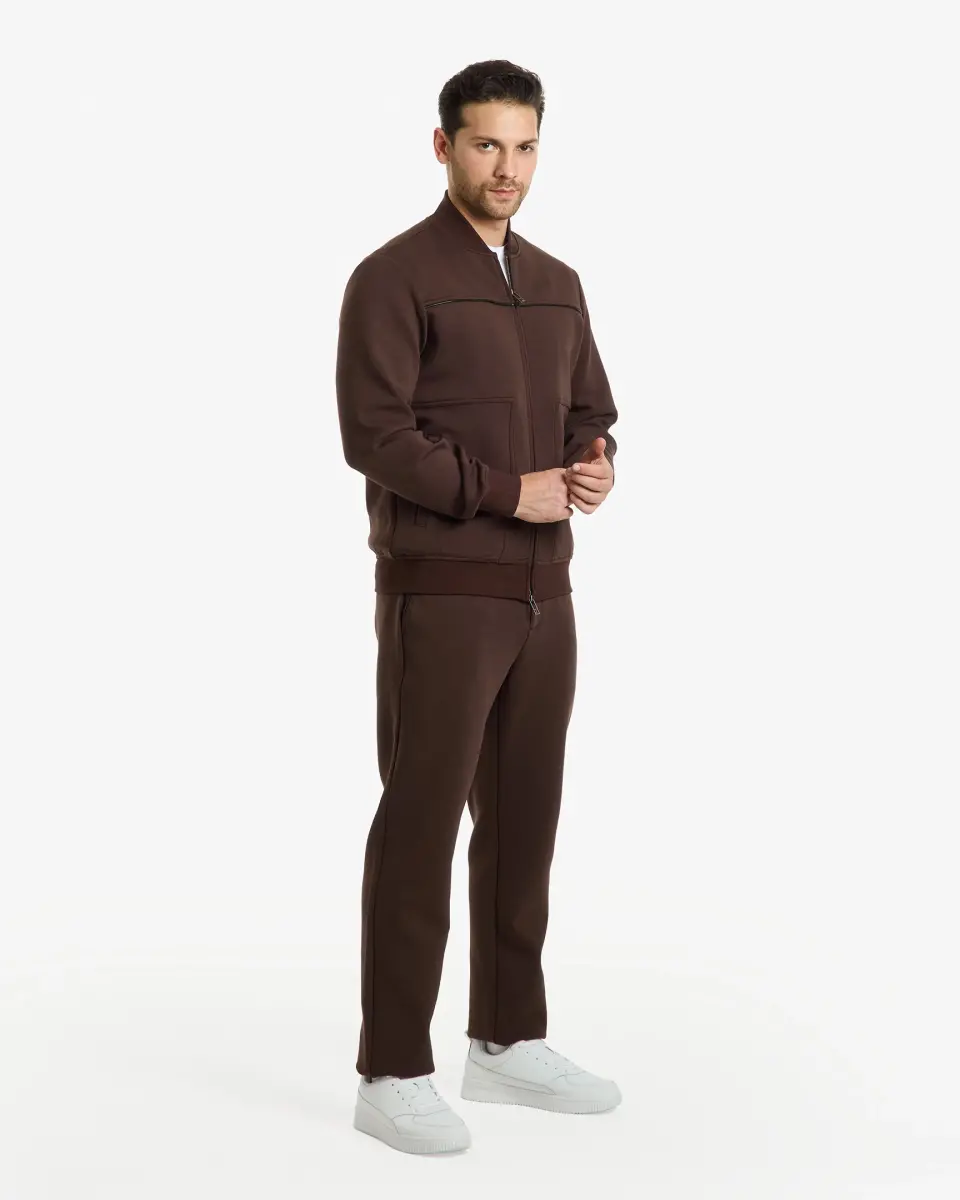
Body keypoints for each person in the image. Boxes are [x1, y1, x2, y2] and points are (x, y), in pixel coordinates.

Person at [335, 59, 621, 1155]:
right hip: (444, 593)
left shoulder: (556, 280)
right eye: (487, 144)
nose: (508, 167)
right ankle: (390, 1067)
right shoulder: (393, 277)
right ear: (444, 146)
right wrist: (508, 492)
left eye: (525, 146)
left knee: (524, 821)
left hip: (547, 593)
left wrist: (593, 462)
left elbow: (590, 407)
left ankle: (506, 1039)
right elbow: (376, 435)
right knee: (420, 822)